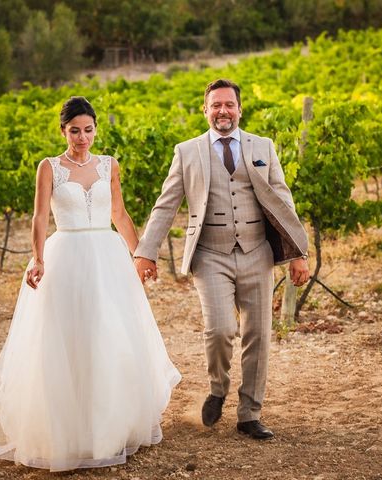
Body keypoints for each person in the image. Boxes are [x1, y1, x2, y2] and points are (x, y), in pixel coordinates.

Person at [0, 96, 181, 472]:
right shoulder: (50, 168)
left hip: (107, 256)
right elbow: (40, 217)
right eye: (75, 130)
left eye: (88, 130)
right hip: (67, 256)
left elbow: (119, 213)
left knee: (109, 335)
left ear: (95, 130)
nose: (82, 137)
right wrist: (38, 257)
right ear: (63, 131)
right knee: (69, 339)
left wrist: (140, 255)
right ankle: (70, 431)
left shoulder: (109, 164)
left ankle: (108, 429)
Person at [134, 79, 309, 440]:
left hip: (257, 252)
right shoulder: (187, 152)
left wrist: (298, 253)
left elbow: (283, 200)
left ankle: (249, 413)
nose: (223, 111)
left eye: (229, 105)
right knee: (220, 330)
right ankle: (218, 388)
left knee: (258, 334)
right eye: (216, 105)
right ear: (205, 110)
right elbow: (166, 205)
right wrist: (145, 252)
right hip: (210, 254)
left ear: (239, 109)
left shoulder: (263, 147)